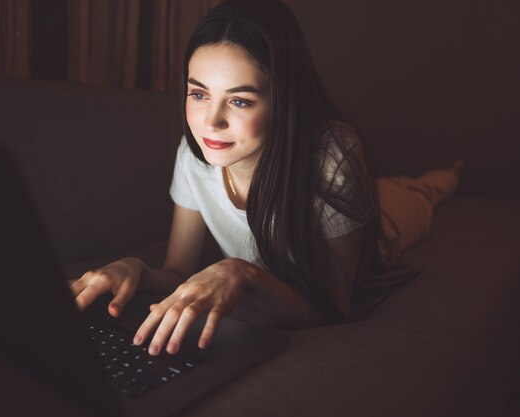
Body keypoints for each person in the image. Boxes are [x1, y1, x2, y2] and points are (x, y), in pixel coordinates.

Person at [69, 0, 462, 356]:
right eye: (199, 94)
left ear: (283, 100)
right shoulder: (196, 152)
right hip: (345, 203)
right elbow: (177, 272)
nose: (212, 121)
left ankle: (446, 176)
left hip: (386, 222)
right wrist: (136, 269)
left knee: (419, 194)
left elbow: (333, 308)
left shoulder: (331, 155)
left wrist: (240, 271)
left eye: (239, 100)